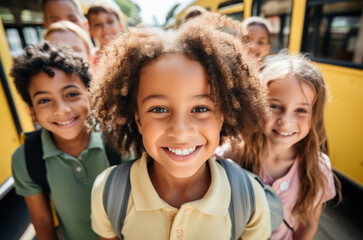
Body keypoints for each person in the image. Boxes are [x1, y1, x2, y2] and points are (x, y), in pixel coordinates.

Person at [90, 13, 271, 239]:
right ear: (138, 120)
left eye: (200, 108)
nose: (181, 130)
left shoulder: (249, 198)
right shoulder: (109, 192)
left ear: (222, 116)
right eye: (158, 109)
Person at [10, 42, 116, 240]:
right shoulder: (26, 159)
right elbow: (41, 220)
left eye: (72, 94)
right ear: (32, 112)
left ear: (91, 97)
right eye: (44, 100)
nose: (61, 109)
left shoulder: (119, 141)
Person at [237, 53, 341, 240]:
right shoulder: (232, 154)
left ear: (314, 116)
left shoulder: (317, 167)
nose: (285, 122)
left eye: (301, 110)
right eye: (274, 106)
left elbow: (309, 223)